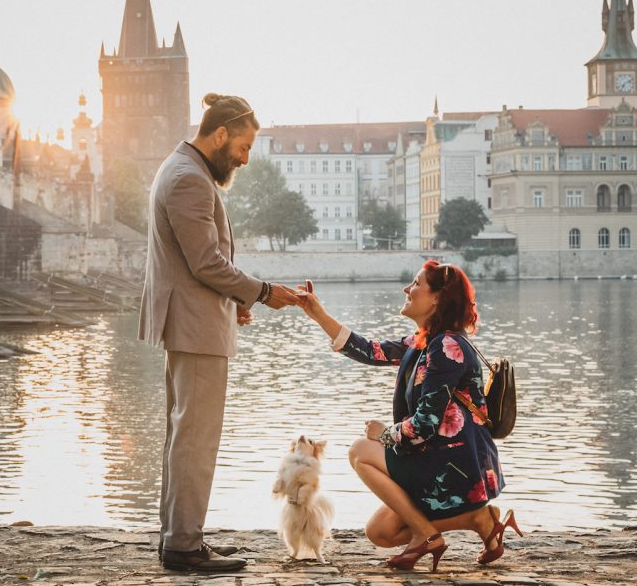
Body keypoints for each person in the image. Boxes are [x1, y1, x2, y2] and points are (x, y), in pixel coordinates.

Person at [139, 92, 295, 572]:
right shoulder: (189, 179)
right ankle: (184, 546)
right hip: (194, 328)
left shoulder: (185, 169)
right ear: (221, 133)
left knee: (183, 435)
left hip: (192, 322)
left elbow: (199, 264)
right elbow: (207, 262)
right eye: (244, 147)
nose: (246, 159)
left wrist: (234, 300)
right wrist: (262, 292)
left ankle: (178, 538)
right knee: (195, 439)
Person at [288, 261, 520, 571]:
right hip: (437, 459)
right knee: (380, 532)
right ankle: (482, 521)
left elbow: (425, 424)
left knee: (360, 450)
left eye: (415, 284)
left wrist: (384, 433)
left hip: (455, 466)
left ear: (436, 298)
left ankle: (427, 535)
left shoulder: (448, 346)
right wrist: (317, 313)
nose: (406, 289)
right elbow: (369, 350)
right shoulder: (424, 341)